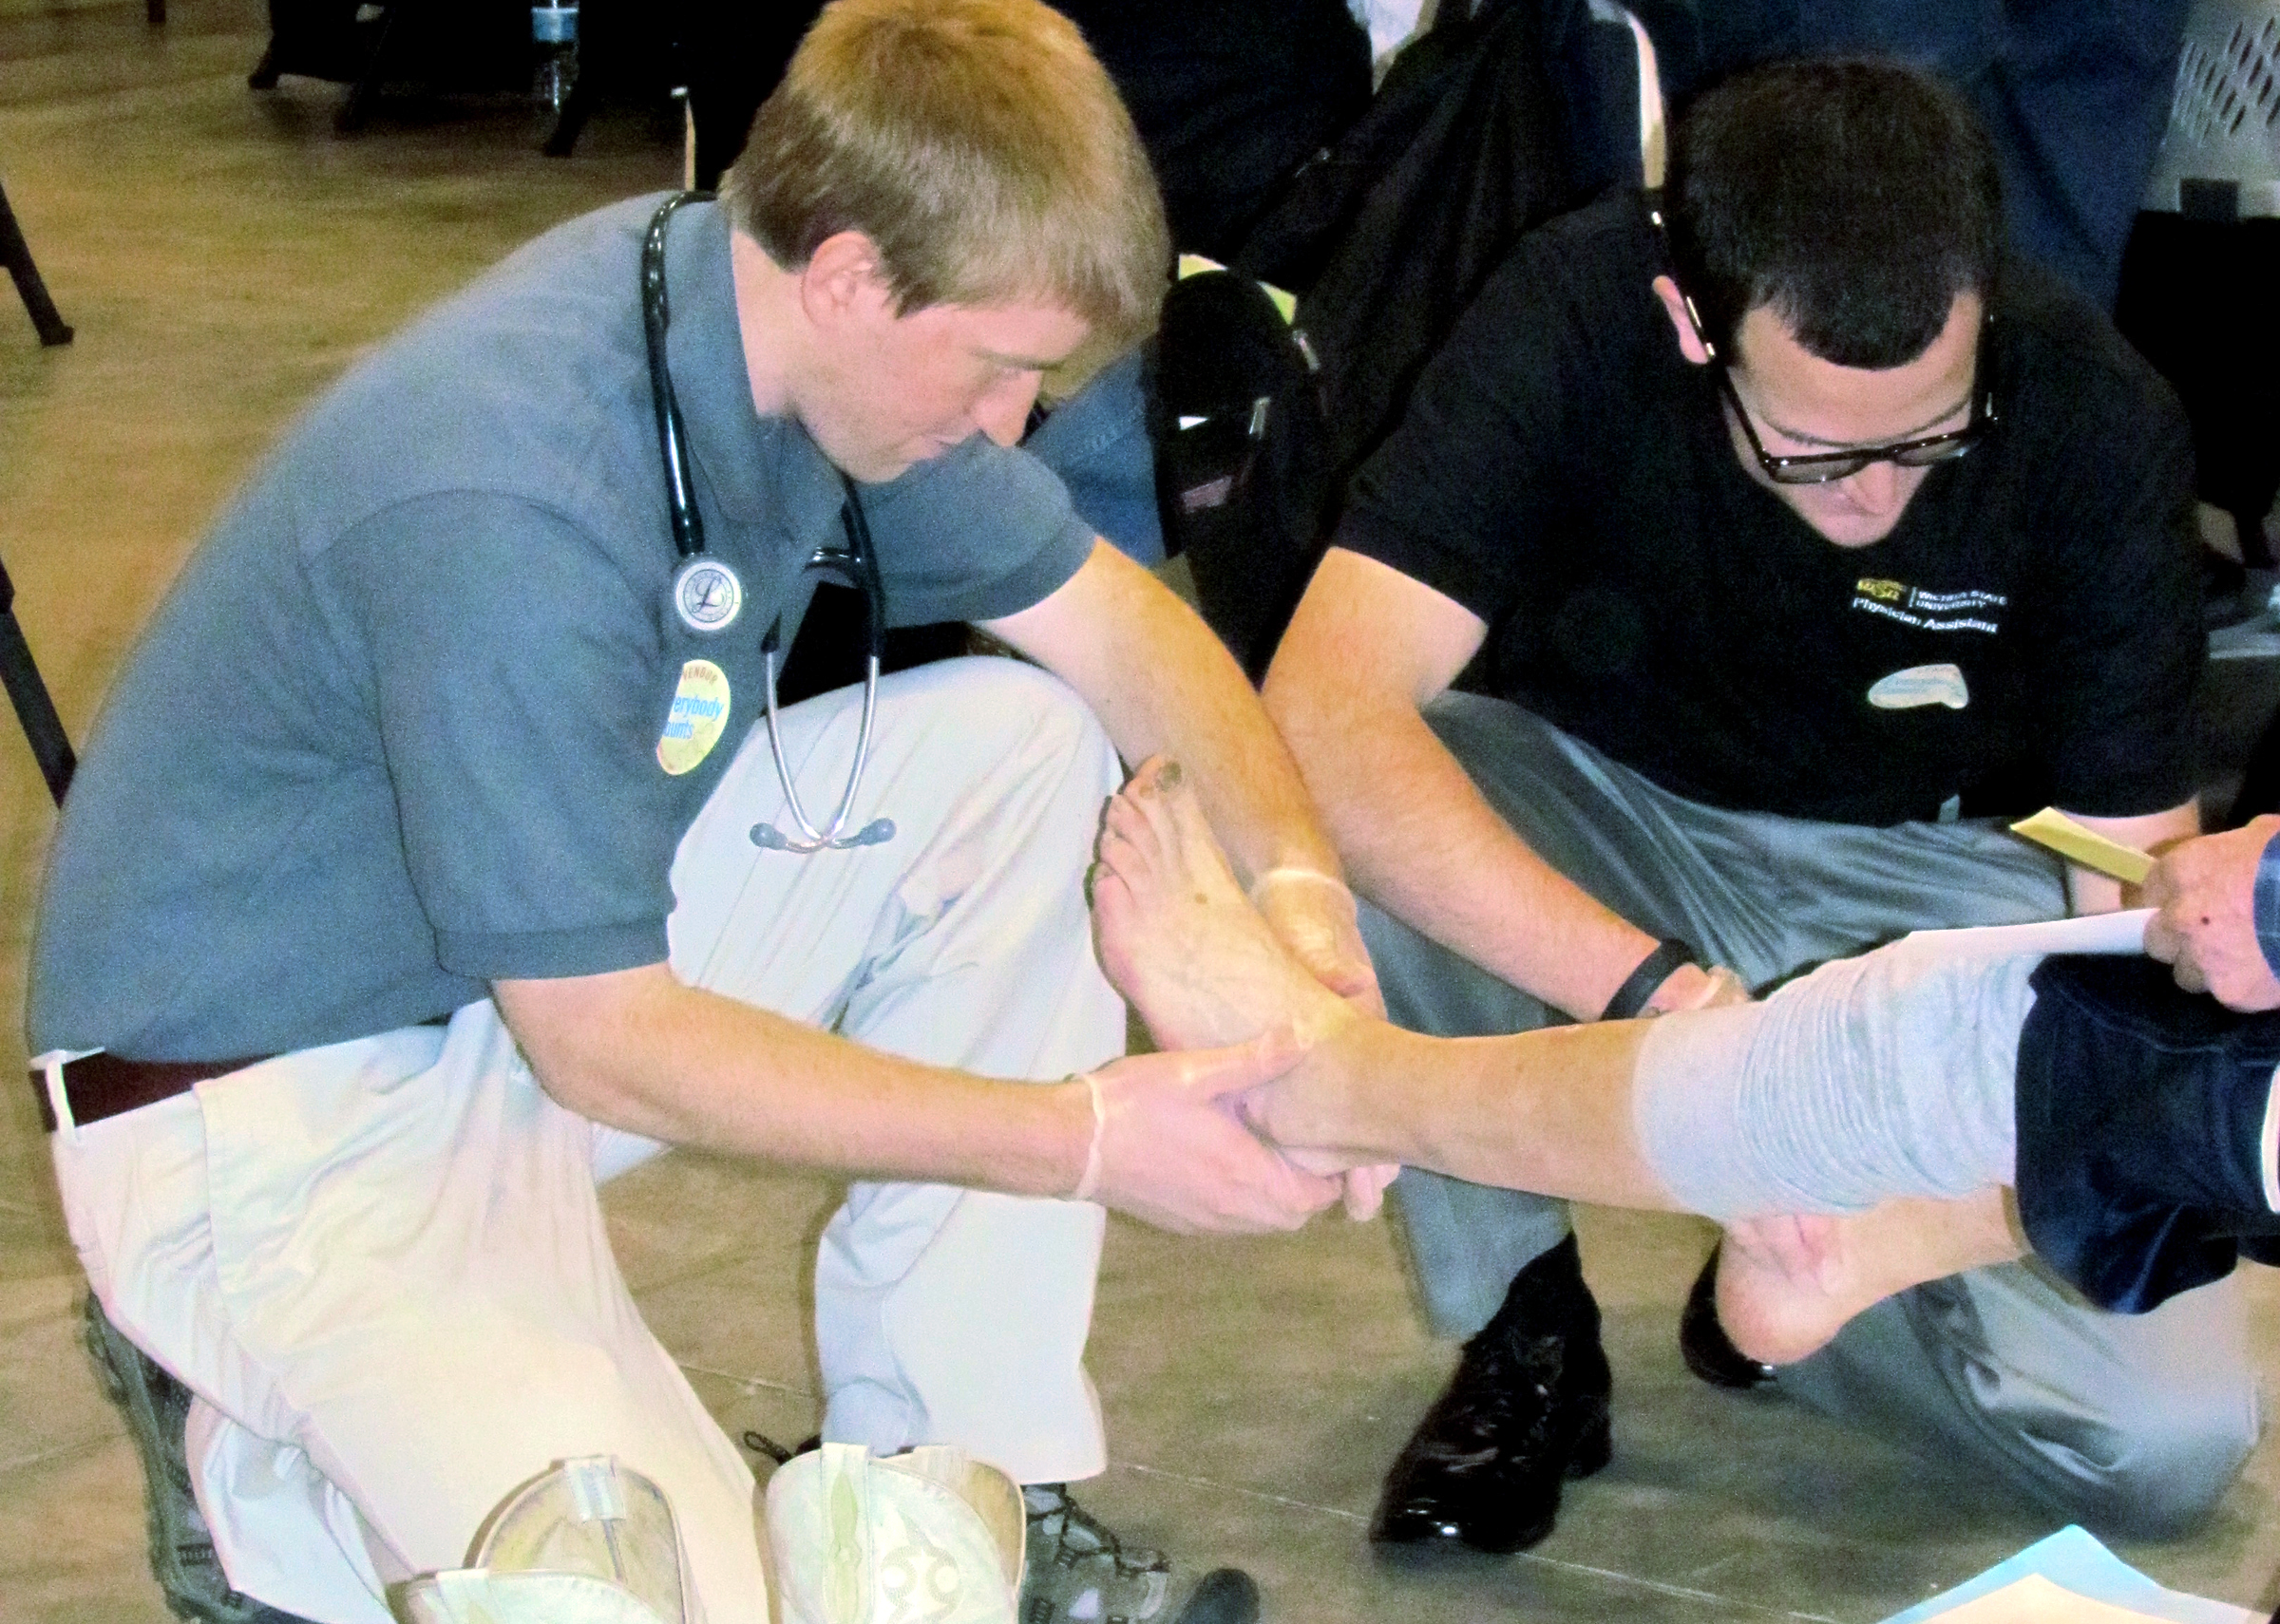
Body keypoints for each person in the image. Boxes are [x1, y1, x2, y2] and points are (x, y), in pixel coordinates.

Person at [23, 4, 1388, 1621]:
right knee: (683, 1599)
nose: (1017, 424)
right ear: (855, 276)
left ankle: (956, 1485)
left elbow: (1119, 628)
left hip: (502, 985)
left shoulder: (783, 327)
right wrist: (1083, 1141)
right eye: (1004, 370)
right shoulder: (508, 494)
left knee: (1023, 755)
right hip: (271, 1119)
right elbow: (608, 1041)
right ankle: (263, 1450)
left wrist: (1303, 910)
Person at [1257, 55, 2243, 1551]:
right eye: (1815, 449)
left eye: (1929, 438)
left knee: (2165, 1445)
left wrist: (1901, 1221)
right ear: (1688, 321)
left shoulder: (2096, 413)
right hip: (1614, 820)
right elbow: (1320, 703)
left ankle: (1804, 1285)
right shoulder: (1578, 306)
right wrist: (1651, 991)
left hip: (1944, 878)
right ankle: (1528, 1326)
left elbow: (2128, 917)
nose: (1875, 502)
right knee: (1355, 792)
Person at [1087, 759, 2273, 1530]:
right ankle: (1877, 1231)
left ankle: (1334, 1086)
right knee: (2011, 1057)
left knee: (1967, 1057)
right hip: (1632, 796)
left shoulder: (2087, 422)